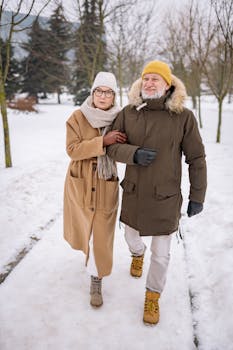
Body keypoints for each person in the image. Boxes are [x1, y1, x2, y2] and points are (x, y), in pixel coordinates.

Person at [107, 61, 207, 325]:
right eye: (146, 79)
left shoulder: (183, 117)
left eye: (156, 79)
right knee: (131, 238)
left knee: (161, 255)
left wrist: (198, 195)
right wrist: (133, 153)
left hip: (165, 196)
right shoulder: (128, 113)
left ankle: (153, 295)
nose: (150, 83)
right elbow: (111, 148)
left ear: (168, 85)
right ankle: (137, 254)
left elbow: (196, 158)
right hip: (134, 193)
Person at [63, 72, 127, 307]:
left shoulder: (120, 118)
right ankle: (89, 260)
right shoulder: (78, 117)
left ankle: (96, 279)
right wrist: (103, 142)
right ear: (92, 93)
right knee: (85, 230)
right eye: (99, 91)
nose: (103, 96)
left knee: (102, 234)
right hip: (80, 180)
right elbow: (72, 149)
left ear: (113, 95)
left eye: (108, 92)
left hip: (105, 180)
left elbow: (127, 145)